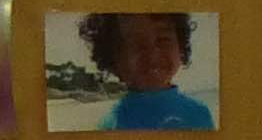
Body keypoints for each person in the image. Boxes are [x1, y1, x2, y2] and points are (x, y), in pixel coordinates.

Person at [83, 10, 215, 132]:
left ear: (180, 48)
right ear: (113, 59)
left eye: (163, 40)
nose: (152, 55)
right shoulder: (110, 125)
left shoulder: (199, 115)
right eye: (136, 44)